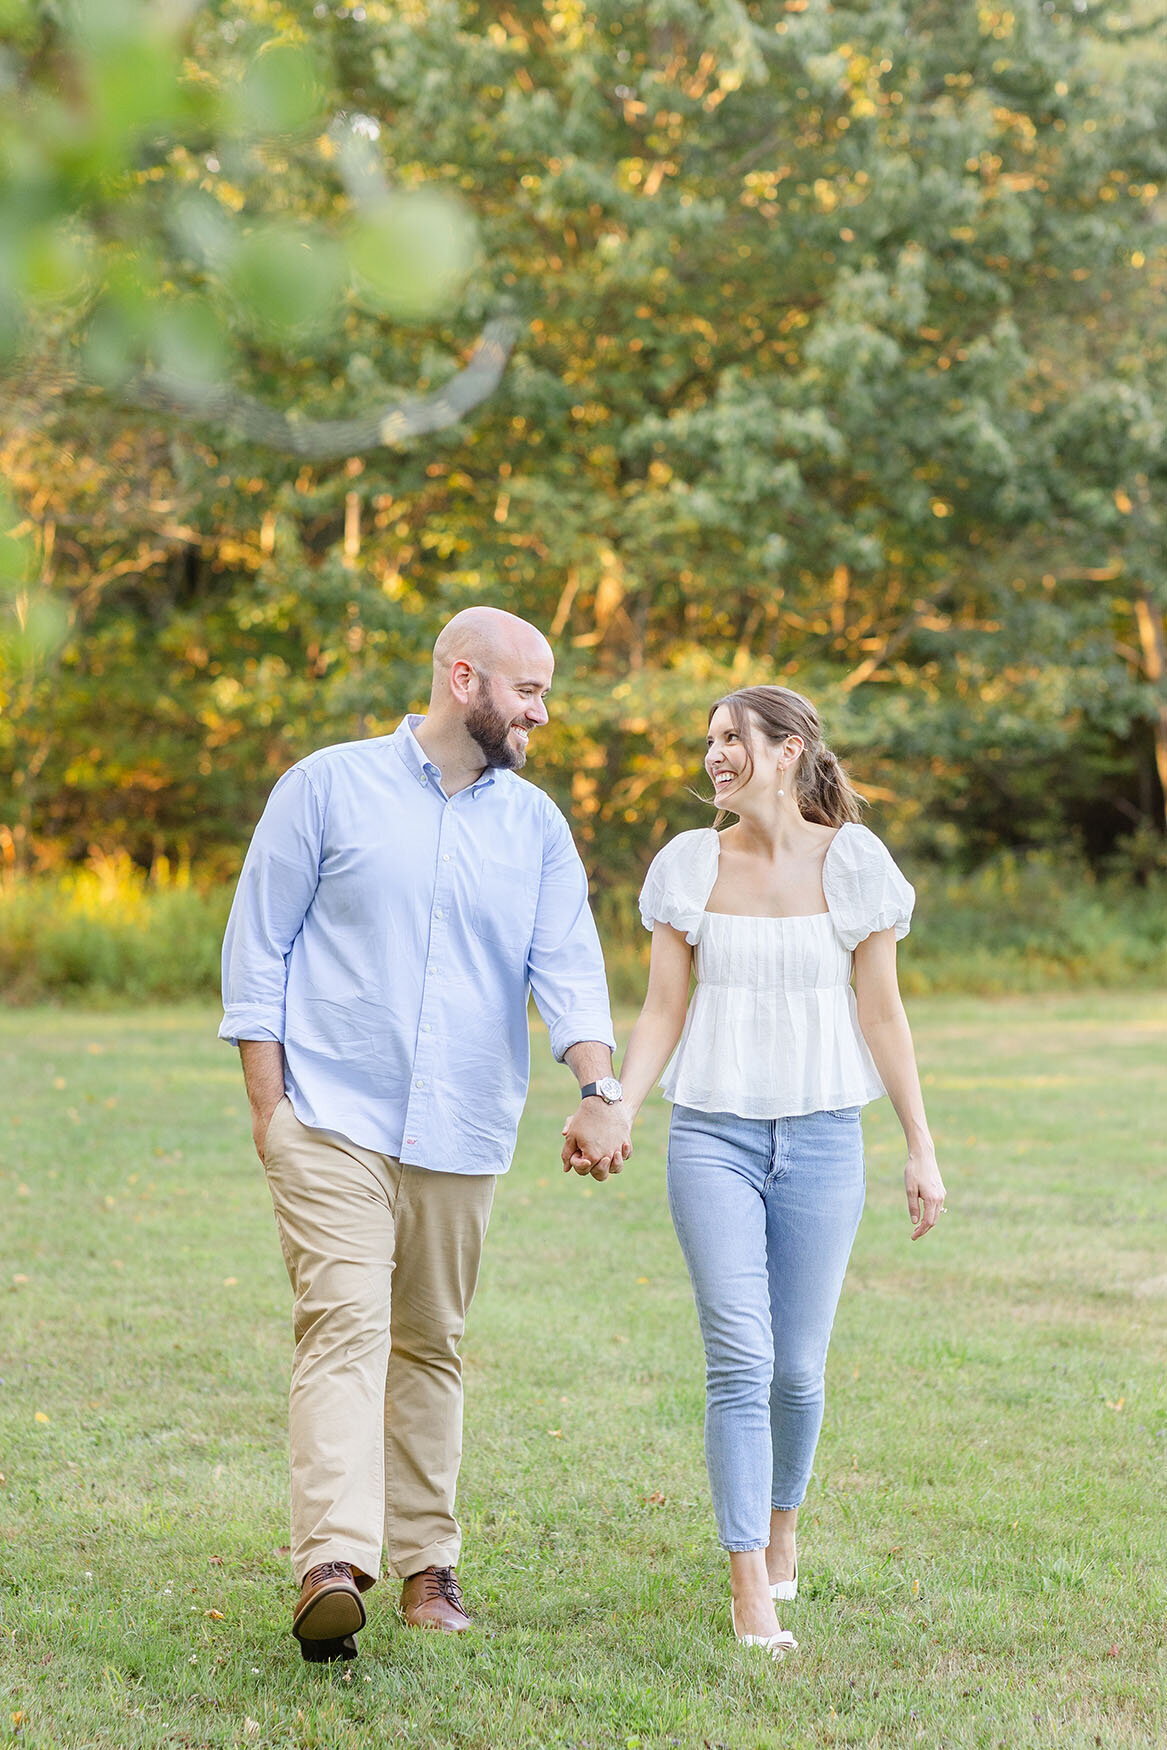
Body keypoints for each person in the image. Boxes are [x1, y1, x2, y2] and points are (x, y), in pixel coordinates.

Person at [219, 606, 630, 1663]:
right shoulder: (325, 786)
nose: (542, 710)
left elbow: (568, 966)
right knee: (342, 1326)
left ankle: (426, 1565)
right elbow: (257, 949)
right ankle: (331, 1566)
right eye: (529, 689)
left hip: (463, 1123)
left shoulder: (534, 825)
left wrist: (598, 1084)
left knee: (431, 1342)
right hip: (332, 1116)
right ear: (464, 678)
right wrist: (273, 1114)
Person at [587, 684, 946, 1659]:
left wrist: (919, 1144)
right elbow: (663, 1006)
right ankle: (750, 1581)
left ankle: (784, 1518)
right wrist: (617, 1097)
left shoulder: (857, 864)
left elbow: (882, 1014)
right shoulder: (688, 864)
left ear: (788, 751)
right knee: (740, 1360)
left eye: (732, 739)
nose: (715, 755)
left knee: (798, 1368)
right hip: (712, 1138)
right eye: (708, 741)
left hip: (826, 1139)